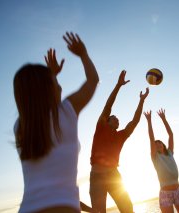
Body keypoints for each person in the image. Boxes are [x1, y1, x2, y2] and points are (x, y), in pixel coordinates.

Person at [13, 32, 99, 213]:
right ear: (47, 89)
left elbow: (43, 107)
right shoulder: (67, 111)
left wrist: (50, 75)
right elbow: (93, 80)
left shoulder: (20, 127)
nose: (58, 84)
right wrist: (83, 54)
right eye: (52, 81)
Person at [89, 70, 149, 213]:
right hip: (97, 176)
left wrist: (141, 100)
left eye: (118, 119)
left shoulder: (121, 136)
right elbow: (108, 106)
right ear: (107, 121)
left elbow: (134, 121)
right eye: (114, 118)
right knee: (98, 212)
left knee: (128, 208)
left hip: (113, 175)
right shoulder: (101, 127)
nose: (117, 119)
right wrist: (118, 86)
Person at [144, 109, 179, 213]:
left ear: (163, 145)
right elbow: (151, 138)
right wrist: (149, 121)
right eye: (155, 144)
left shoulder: (170, 153)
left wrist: (164, 119)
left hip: (177, 191)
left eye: (159, 142)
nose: (157, 144)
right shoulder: (155, 157)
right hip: (165, 194)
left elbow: (171, 135)